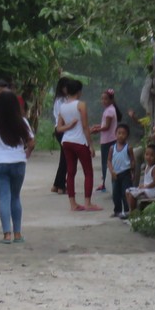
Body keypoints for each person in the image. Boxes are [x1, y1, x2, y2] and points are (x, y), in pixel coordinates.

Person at [0, 90, 34, 244]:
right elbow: (31, 142)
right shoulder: (22, 122)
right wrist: (27, 153)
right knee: (15, 197)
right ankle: (18, 234)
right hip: (18, 162)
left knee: (4, 197)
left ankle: (6, 235)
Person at [55, 78, 100, 211]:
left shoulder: (62, 107)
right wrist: (91, 145)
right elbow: (85, 126)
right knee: (88, 172)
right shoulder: (81, 105)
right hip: (80, 141)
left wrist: (69, 126)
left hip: (66, 141)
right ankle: (87, 202)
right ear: (79, 91)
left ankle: (73, 203)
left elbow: (59, 128)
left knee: (71, 172)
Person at [90, 89, 121, 194]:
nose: (103, 101)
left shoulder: (109, 111)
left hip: (108, 140)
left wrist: (96, 130)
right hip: (109, 139)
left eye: (106, 99)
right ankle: (106, 183)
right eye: (102, 99)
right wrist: (98, 126)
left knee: (106, 163)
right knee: (107, 161)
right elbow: (106, 124)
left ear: (111, 100)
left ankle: (106, 184)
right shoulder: (110, 109)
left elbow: (107, 127)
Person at [126, 144, 155, 214]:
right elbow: (147, 180)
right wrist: (143, 186)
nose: (148, 157)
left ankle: (133, 212)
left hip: (152, 191)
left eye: (152, 155)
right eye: (147, 154)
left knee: (132, 194)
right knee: (128, 191)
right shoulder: (147, 166)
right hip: (146, 189)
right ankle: (132, 209)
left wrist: (145, 186)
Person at [108, 124, 134, 219]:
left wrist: (133, 172)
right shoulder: (112, 148)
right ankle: (117, 211)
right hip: (115, 174)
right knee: (115, 194)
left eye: (123, 133)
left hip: (126, 173)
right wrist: (112, 171)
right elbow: (109, 160)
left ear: (127, 135)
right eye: (119, 133)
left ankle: (127, 211)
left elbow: (132, 160)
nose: (121, 135)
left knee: (125, 193)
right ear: (115, 134)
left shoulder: (128, 148)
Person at [50, 77, 71, 194]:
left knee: (64, 157)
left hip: (63, 129)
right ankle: (61, 185)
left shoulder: (64, 99)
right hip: (62, 129)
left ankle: (57, 184)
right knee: (66, 158)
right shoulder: (61, 100)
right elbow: (62, 116)